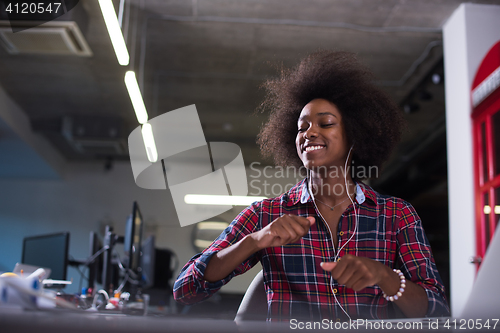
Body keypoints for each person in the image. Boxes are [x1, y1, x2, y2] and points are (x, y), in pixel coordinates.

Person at [173, 51, 450, 321]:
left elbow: (436, 311)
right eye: (301, 127)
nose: (309, 133)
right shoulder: (266, 215)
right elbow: (185, 289)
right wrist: (253, 241)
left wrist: (386, 277)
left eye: (325, 123)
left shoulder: (396, 216)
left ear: (355, 132)